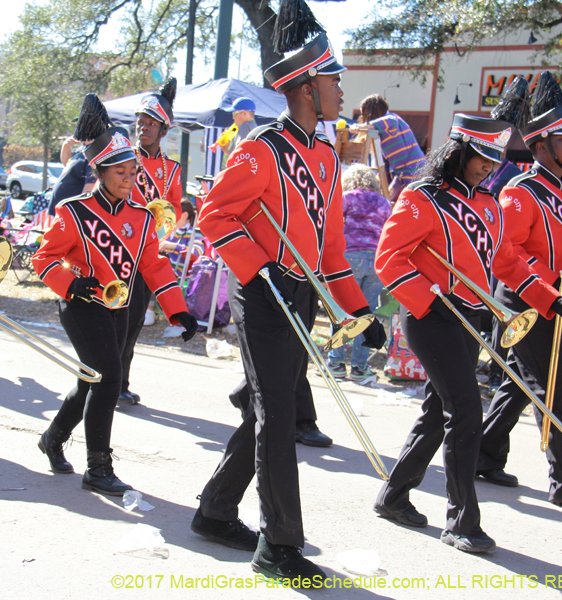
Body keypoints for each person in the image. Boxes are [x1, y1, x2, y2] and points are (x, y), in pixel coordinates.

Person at [192, 1, 385, 582]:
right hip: (262, 292)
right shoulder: (260, 150)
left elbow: (330, 252)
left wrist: (359, 310)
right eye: (333, 81)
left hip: (299, 294)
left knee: (265, 407)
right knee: (278, 415)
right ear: (305, 88)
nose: (342, 91)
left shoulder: (325, 156)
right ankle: (278, 545)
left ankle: (214, 510)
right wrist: (259, 267)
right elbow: (214, 215)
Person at [374, 110, 562, 554]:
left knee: (439, 411)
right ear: (458, 152)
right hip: (431, 316)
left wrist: (550, 300)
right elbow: (389, 259)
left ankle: (393, 495)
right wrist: (429, 300)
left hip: (471, 318)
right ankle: (462, 520)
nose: (488, 166)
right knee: (466, 411)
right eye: (481, 157)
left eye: (494, 159)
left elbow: (508, 263)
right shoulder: (421, 197)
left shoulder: (489, 204)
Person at [32, 94, 197, 496]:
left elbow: (154, 266)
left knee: (91, 380)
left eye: (132, 172)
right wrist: (70, 284)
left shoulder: (141, 218)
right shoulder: (74, 212)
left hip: (119, 306)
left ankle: (53, 438)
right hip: (82, 304)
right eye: (120, 172)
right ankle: (98, 467)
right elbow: (43, 258)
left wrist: (178, 311)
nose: (129, 179)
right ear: (101, 172)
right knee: (107, 378)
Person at [476, 72, 562, 515]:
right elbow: (506, 254)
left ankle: (483, 455)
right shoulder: (519, 192)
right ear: (539, 146)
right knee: (553, 391)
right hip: (527, 301)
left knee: (520, 384)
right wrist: (548, 292)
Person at [118, 77, 184, 406]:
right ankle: (103, 381)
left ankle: (120, 382)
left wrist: (162, 233)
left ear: (163, 130)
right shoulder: (123, 157)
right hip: (117, 250)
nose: (142, 128)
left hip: (147, 253)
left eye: (150, 123)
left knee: (132, 324)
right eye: (140, 122)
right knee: (114, 321)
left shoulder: (172, 169)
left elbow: (173, 210)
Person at [326, 164, 391, 380]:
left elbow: (332, 224)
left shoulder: (347, 198)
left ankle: (336, 363)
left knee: (342, 310)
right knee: (367, 312)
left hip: (349, 256)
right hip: (375, 260)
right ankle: (359, 367)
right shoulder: (384, 203)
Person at [357, 93, 426, 199]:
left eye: (364, 115)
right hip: (403, 177)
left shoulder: (393, 120)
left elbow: (386, 121)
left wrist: (360, 126)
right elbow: (384, 167)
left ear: (371, 113)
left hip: (416, 174)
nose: (363, 118)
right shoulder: (382, 137)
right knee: (388, 201)